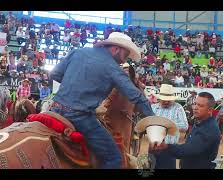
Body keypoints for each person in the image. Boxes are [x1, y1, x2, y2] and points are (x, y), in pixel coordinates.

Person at [49, 32, 154, 169]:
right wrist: (153, 121)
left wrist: (76, 86)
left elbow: (54, 74)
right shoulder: (113, 68)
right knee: (115, 158)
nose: (124, 61)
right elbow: (136, 96)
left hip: (54, 109)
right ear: (116, 49)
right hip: (80, 117)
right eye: (125, 55)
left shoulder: (77, 52)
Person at [150, 92, 221, 169]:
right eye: (195, 104)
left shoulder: (209, 129)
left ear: (210, 110)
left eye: (200, 106)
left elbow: (189, 150)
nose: (195, 108)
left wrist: (166, 146)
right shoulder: (200, 122)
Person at [149, 84, 188, 169]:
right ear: (160, 98)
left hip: (169, 148)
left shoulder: (178, 108)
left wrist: (167, 126)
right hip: (153, 148)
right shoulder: (153, 108)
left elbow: (185, 126)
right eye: (164, 99)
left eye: (168, 100)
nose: (166, 102)